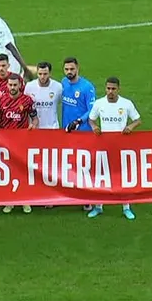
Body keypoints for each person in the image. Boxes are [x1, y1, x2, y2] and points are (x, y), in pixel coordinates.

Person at [87, 77, 142, 220]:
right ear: (105, 88)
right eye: (108, 88)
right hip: (103, 146)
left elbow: (138, 119)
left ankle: (126, 207)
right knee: (101, 175)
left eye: (113, 89)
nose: (110, 91)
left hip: (121, 146)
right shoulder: (99, 104)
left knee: (123, 176)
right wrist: (94, 127)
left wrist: (130, 126)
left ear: (119, 89)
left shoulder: (126, 104)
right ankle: (98, 206)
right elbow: (91, 119)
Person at [0, 73, 38, 214]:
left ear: (20, 85)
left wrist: (33, 125)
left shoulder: (27, 100)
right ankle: (10, 201)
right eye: (10, 85)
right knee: (8, 172)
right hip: (5, 141)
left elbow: (35, 118)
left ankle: (25, 200)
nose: (12, 87)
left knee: (23, 171)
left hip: (22, 141)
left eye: (15, 85)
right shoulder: (1, 100)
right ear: (7, 85)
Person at [61, 57, 97, 211]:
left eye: (72, 69)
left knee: (84, 166)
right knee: (68, 164)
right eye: (67, 69)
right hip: (66, 131)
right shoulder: (63, 83)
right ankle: (70, 194)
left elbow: (92, 110)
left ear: (78, 68)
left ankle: (87, 198)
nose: (69, 72)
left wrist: (78, 121)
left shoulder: (87, 87)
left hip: (83, 133)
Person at [24, 61, 65, 130]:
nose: (42, 77)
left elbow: (60, 101)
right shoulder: (29, 86)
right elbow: (26, 105)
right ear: (37, 73)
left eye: (45, 74)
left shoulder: (58, 87)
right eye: (40, 74)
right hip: (35, 128)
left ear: (49, 73)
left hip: (52, 128)